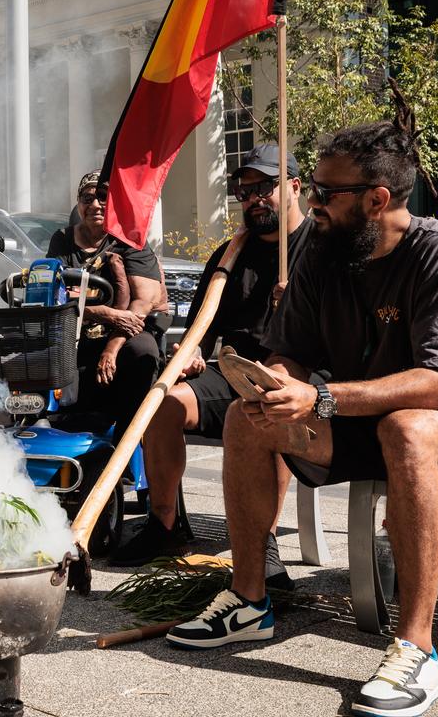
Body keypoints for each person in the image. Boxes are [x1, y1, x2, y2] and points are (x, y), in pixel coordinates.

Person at [165, 121, 438, 717]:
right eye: (311, 189)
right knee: (243, 420)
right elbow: (294, 351)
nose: (312, 203)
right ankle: (249, 601)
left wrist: (321, 399)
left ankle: (416, 648)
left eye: (325, 193)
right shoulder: (321, 252)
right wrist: (276, 383)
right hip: (371, 418)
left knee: (407, 429)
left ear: (376, 199)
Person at [111, 145, 313, 575]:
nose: (254, 198)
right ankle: (164, 525)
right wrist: (192, 356)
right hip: (232, 371)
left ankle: (265, 539)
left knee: (269, 405)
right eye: (245, 190)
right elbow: (203, 329)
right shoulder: (230, 254)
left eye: (265, 187)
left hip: (298, 378)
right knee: (162, 403)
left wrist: (295, 306)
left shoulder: (319, 250)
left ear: (294, 187)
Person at [45, 170, 166, 434]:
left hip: (122, 336)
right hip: (72, 333)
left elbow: (141, 304)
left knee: (142, 351)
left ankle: (128, 444)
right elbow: (53, 294)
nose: (95, 205)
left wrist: (111, 349)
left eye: (103, 197)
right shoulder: (62, 240)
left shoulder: (130, 240)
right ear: (78, 204)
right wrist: (104, 312)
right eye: (87, 198)